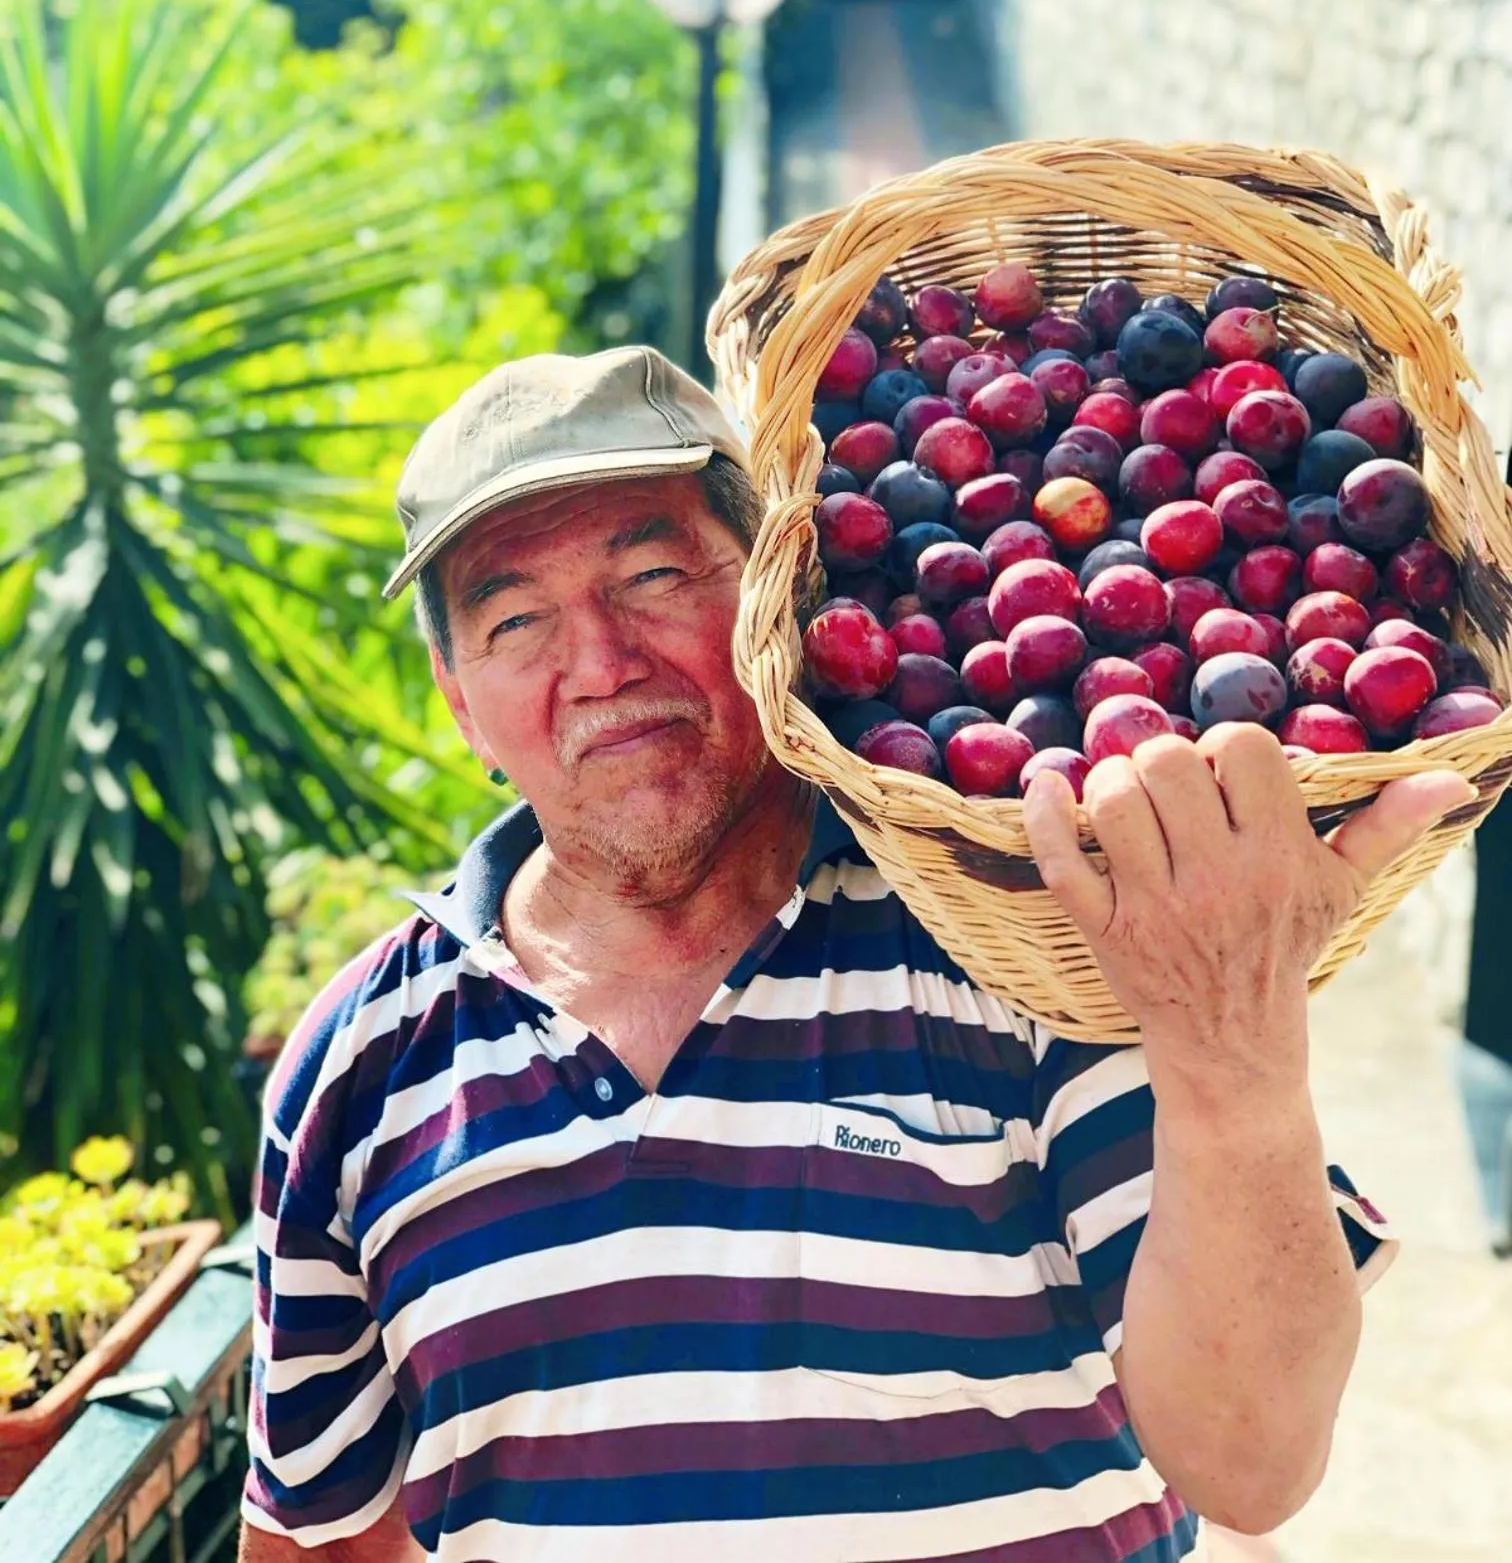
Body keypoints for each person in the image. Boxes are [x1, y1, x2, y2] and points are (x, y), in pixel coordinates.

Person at [238, 347, 1473, 1563]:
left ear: (778, 593)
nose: (602, 665)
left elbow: (1254, 1462)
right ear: (463, 704)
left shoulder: (1016, 933)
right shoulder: (360, 1068)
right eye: (516, 621)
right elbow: (321, 1540)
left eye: (656, 574)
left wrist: (1235, 1046)